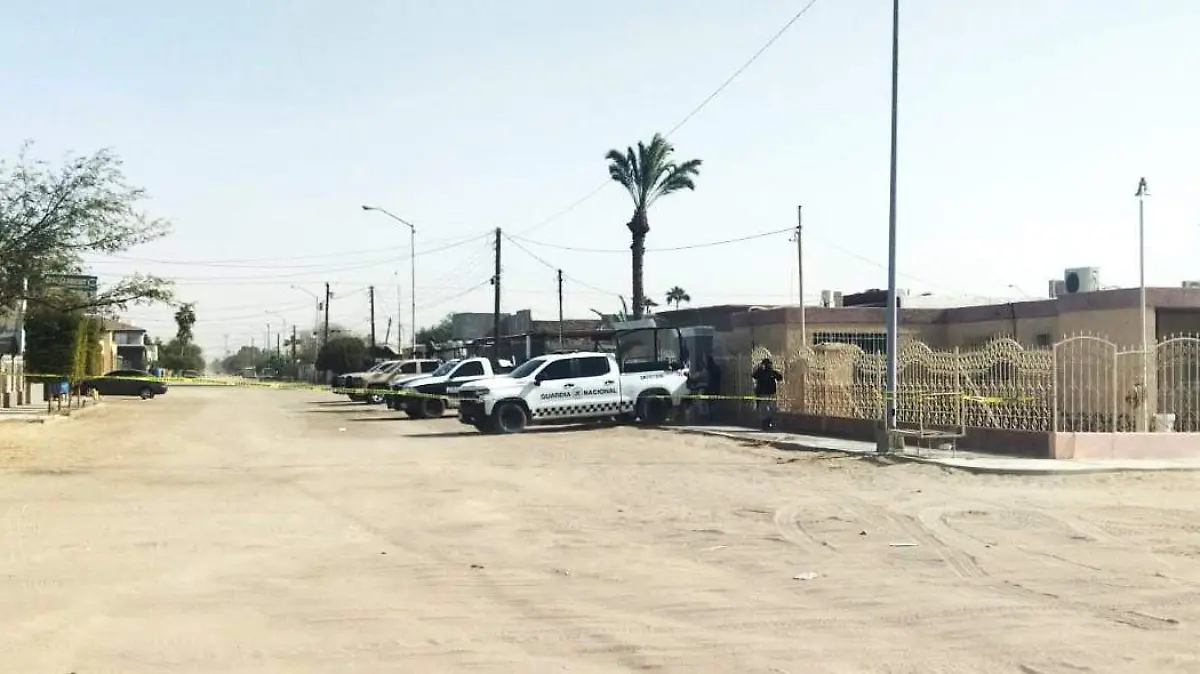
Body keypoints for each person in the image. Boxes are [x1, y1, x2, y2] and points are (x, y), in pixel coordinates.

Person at [751, 357, 783, 430]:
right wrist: (759, 368)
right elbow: (754, 375)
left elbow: (780, 378)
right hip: (764, 394)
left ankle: (768, 422)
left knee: (770, 409)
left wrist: (775, 374)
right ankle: (765, 423)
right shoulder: (761, 372)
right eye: (767, 364)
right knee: (765, 409)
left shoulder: (771, 372)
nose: (768, 366)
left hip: (770, 393)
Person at [703, 355, 722, 423]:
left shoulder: (709, 368)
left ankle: (710, 415)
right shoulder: (716, 368)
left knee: (709, 401)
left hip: (711, 387)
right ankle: (712, 415)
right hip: (716, 387)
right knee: (712, 401)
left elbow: (705, 375)